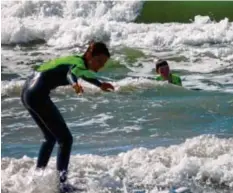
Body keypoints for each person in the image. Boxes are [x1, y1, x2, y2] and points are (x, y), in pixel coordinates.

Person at [21, 41, 114, 191]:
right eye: (99, 61)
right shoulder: (78, 64)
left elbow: (81, 73)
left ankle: (36, 179)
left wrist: (99, 84)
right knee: (66, 139)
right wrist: (74, 84)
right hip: (37, 95)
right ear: (89, 55)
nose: (100, 66)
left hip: (27, 92)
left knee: (50, 138)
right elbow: (71, 74)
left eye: (103, 63)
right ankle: (62, 185)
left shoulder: (76, 60)